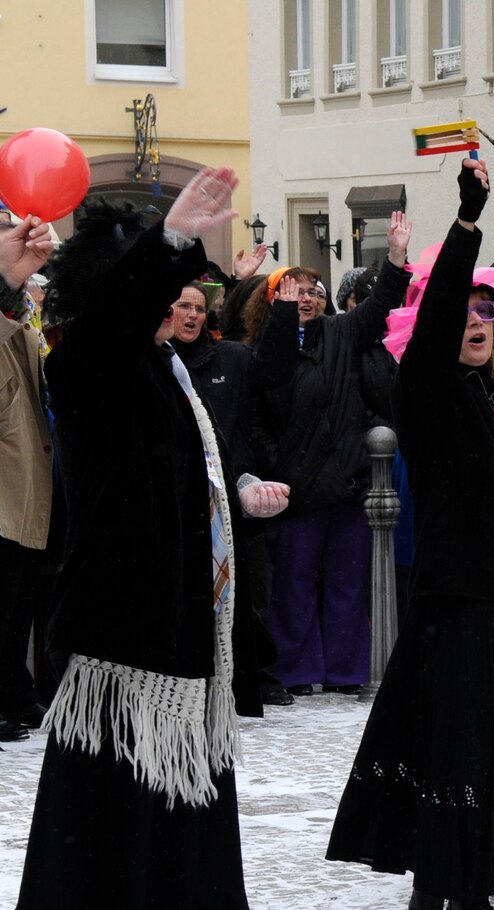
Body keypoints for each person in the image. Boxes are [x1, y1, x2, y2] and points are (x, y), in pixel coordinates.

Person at [21, 169, 292, 909]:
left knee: (179, 843)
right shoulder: (87, 363)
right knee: (111, 844)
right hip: (122, 646)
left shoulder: (164, 369)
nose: (176, 304)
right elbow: (112, 318)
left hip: (180, 637)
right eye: (152, 289)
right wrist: (170, 240)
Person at [326, 159, 494, 909]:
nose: (476, 323)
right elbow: (439, 321)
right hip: (461, 612)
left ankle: (473, 891)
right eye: (464, 314)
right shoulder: (428, 394)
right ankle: (443, 895)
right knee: (457, 770)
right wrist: (467, 223)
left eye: (487, 313)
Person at [256, 213, 409, 699]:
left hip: (346, 480)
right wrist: (278, 461)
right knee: (295, 587)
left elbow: (381, 303)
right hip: (296, 485)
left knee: (348, 582)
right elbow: (263, 405)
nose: (308, 297)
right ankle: (297, 671)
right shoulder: (267, 349)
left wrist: (396, 258)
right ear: (275, 301)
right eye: (295, 291)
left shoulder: (342, 334)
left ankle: (346, 671)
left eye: (315, 290)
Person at [167, 281, 289, 712]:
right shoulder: (154, 365)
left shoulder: (232, 358)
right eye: (183, 305)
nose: (192, 315)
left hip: (231, 497)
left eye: (199, 308)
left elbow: (275, 369)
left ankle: (256, 676)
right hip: (176, 501)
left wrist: (285, 312)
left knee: (247, 592)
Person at [0, 216, 56, 740]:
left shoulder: (21, 317)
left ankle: (13, 691)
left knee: (17, 607)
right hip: (5, 494)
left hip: (25, 492)